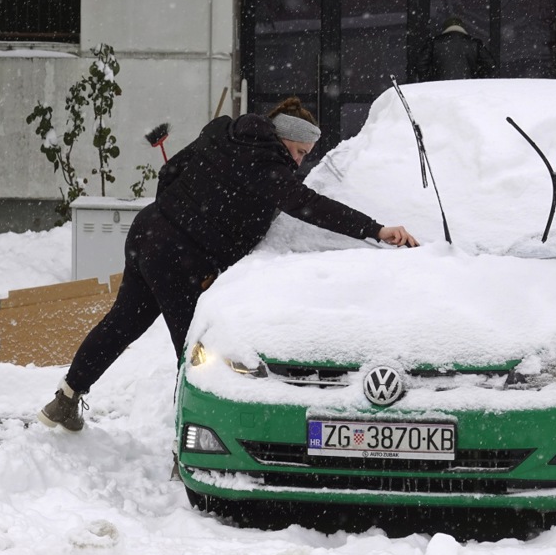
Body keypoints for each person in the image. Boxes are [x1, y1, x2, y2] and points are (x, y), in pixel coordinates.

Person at [38, 97, 419, 431]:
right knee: (193, 354)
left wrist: (173, 216)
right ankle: (187, 447)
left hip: (148, 232)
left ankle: (65, 400)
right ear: (284, 138)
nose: (300, 162)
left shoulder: (223, 132)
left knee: (122, 323)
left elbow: (169, 171)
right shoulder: (267, 165)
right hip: (178, 258)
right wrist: (376, 229)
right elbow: (310, 206)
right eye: (300, 153)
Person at [416, 15, 496, 82]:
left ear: (445, 28)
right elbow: (490, 66)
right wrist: (476, 78)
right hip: (468, 90)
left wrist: (431, 80)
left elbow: (421, 65)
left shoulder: (434, 43)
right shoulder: (474, 43)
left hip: (440, 89)